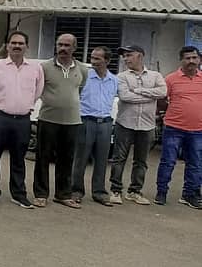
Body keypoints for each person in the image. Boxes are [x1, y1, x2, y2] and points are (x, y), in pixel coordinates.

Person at [0, 31, 44, 208]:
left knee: (19, 158)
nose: (17, 46)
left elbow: (38, 91)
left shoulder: (35, 69)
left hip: (22, 120)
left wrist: (23, 105)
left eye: (21, 43)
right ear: (7, 45)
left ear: (27, 46)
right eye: (14, 43)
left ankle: (18, 194)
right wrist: (3, 105)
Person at [32, 34, 87, 209]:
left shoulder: (82, 69)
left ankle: (63, 194)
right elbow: (37, 89)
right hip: (48, 119)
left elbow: (81, 88)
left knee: (66, 159)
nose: (63, 48)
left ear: (74, 48)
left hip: (72, 121)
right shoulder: (44, 67)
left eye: (67, 45)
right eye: (60, 45)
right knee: (43, 157)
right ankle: (41, 194)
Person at [110, 45, 167, 205]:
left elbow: (162, 92)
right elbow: (125, 96)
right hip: (125, 123)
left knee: (141, 161)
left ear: (140, 56)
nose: (126, 59)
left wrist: (139, 90)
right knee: (119, 158)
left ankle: (134, 191)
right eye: (124, 56)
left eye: (129, 55)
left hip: (147, 124)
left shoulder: (155, 75)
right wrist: (150, 95)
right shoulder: (121, 76)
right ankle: (115, 190)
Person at [155, 46, 202, 208]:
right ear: (181, 60)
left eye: (194, 58)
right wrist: (163, 114)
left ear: (199, 60)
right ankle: (161, 192)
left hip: (198, 130)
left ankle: (190, 194)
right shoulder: (171, 79)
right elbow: (161, 98)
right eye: (187, 58)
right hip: (174, 128)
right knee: (168, 162)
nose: (191, 61)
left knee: (196, 163)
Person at [71, 47, 117, 206]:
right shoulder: (85, 77)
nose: (93, 62)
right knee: (80, 158)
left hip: (105, 123)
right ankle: (76, 190)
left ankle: (99, 192)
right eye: (92, 58)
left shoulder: (114, 80)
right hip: (85, 121)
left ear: (108, 61)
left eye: (98, 59)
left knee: (102, 160)